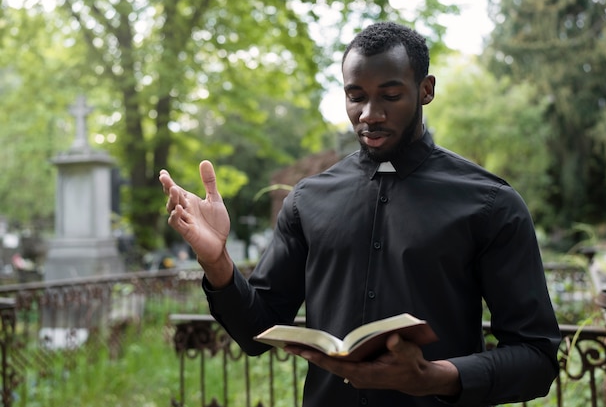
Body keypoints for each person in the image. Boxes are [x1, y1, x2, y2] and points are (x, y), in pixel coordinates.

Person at [160, 22, 561, 407]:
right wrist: (217, 261)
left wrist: (433, 377)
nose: (370, 113)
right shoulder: (307, 200)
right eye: (356, 96)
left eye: (389, 95)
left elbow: (537, 358)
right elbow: (255, 331)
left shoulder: (491, 203)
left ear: (425, 90)